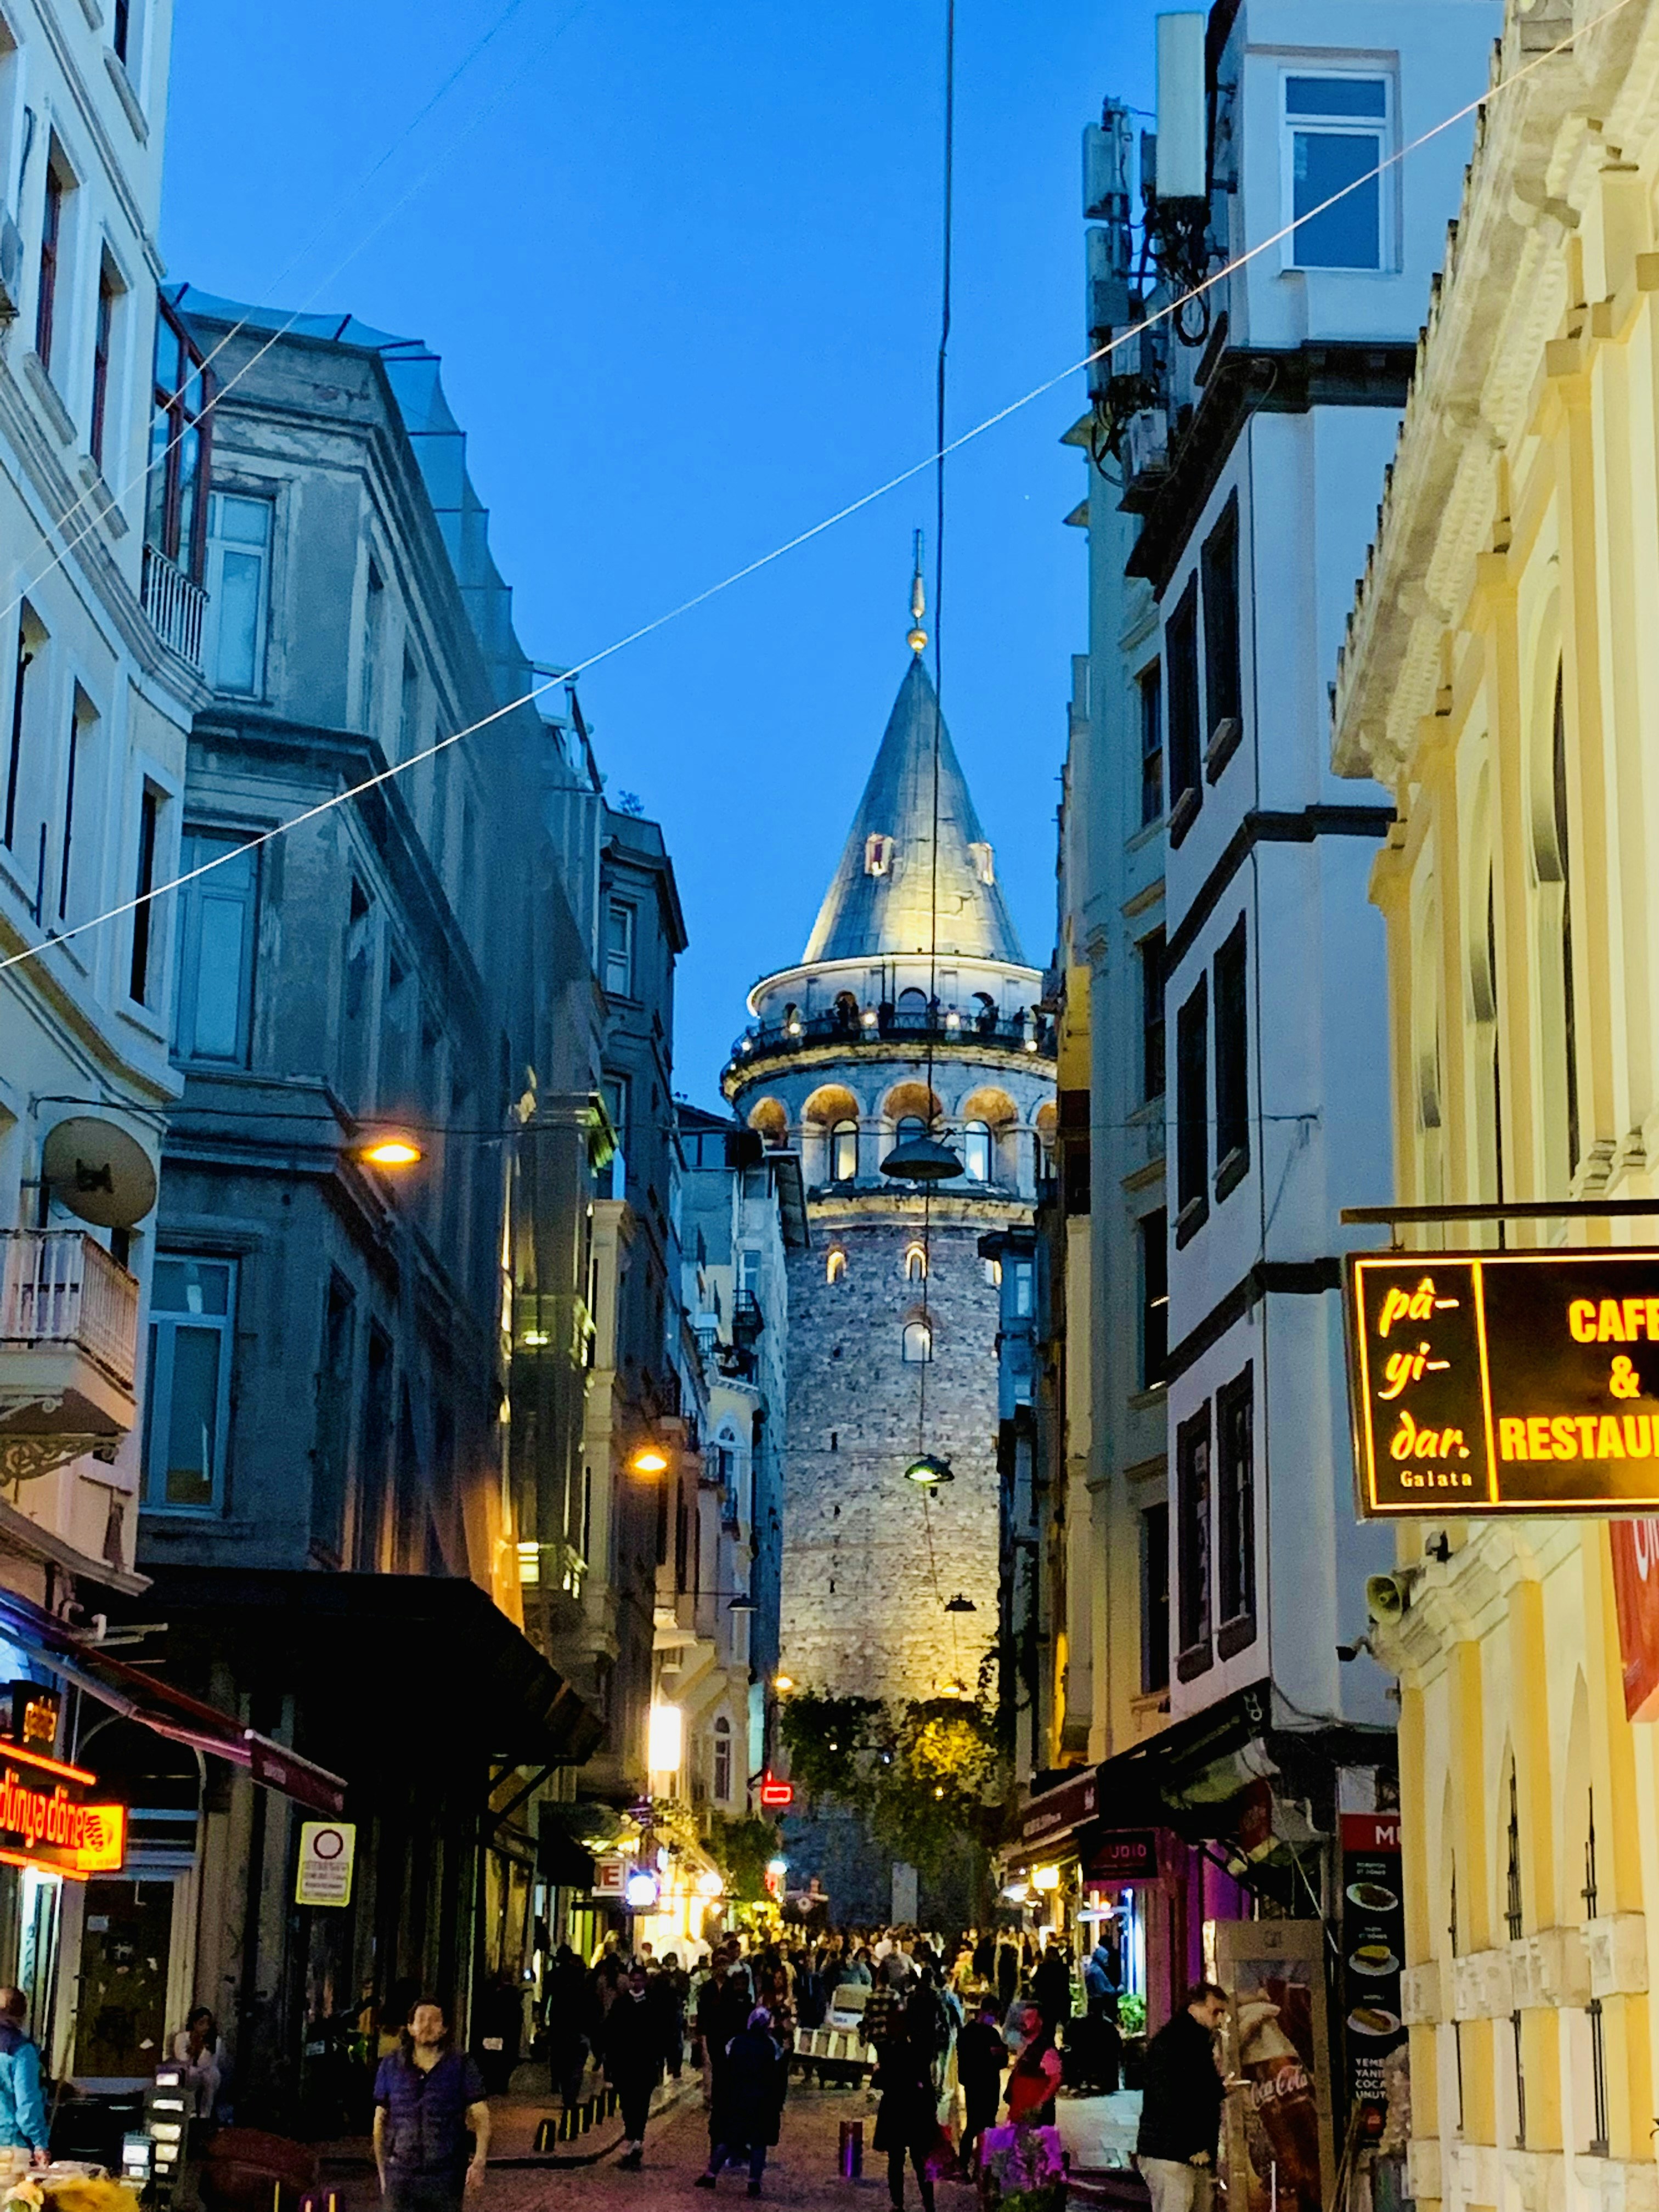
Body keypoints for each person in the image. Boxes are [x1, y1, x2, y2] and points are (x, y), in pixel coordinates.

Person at [373, 1996, 490, 2212]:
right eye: (421, 2019)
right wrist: (383, 2173)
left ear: (444, 2029)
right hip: (400, 2173)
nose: (427, 2025)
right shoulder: (391, 2066)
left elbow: (481, 2114)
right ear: (410, 2027)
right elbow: (380, 2121)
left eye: (435, 2020)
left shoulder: (461, 2064)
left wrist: (479, 2161)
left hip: (445, 2174)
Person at [1135, 1982, 1230, 2212]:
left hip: (1183, 2151)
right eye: (1215, 2011)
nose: (1219, 2020)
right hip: (1173, 2151)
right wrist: (1193, 2146)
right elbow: (1172, 2098)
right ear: (1195, 2008)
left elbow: (1195, 2091)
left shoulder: (1195, 2041)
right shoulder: (1177, 2043)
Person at [696, 2005, 786, 2197]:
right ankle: (754, 2181)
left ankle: (711, 2174)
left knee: (730, 2139)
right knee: (758, 2142)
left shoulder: (736, 2042)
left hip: (738, 2098)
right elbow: (778, 2074)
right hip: (762, 2101)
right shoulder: (772, 2046)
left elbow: (727, 2069)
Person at [871, 2004, 941, 2212]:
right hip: (914, 2110)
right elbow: (926, 2083)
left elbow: (880, 2080)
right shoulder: (917, 2051)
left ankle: (898, 2203)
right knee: (919, 2160)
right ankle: (928, 2203)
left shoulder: (888, 2051)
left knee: (897, 2160)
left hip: (895, 2110)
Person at [600, 1964, 663, 2170]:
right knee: (627, 2103)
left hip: (645, 2064)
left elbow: (659, 2035)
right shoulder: (621, 2004)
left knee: (642, 2103)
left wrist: (659, 2062)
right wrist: (610, 2061)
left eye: (639, 1980)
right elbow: (611, 2032)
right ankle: (631, 2135)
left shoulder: (652, 2005)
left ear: (645, 1981)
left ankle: (637, 2138)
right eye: (633, 1980)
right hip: (625, 2064)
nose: (636, 1984)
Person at [956, 1999, 1008, 2176]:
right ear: (985, 2011)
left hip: (983, 2085)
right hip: (980, 2085)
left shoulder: (984, 2033)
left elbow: (1002, 2060)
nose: (993, 2018)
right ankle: (970, 2165)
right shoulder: (974, 2034)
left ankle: (979, 2166)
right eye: (992, 2014)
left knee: (983, 2126)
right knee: (977, 2126)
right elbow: (969, 2060)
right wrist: (991, 2054)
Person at [0, 1990, 47, 2166]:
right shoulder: (22, 2051)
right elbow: (27, 2104)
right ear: (22, 2016)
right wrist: (39, 2143)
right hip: (8, 2146)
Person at [1006, 2004, 1062, 2128]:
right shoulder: (1024, 2046)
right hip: (1019, 2112)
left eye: (1029, 2018)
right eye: (1022, 2018)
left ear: (1040, 2022)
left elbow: (1056, 2079)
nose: (1023, 2022)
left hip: (1034, 2116)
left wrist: (1039, 2105)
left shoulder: (1047, 2050)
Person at [171, 2006, 223, 2121]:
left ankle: (205, 2113)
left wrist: (204, 2049)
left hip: (205, 2071)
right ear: (194, 2024)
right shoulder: (182, 2038)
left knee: (212, 2075)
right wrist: (194, 2048)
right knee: (192, 2073)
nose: (206, 2027)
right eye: (201, 2024)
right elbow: (182, 2059)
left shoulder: (215, 2040)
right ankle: (191, 2110)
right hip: (188, 2072)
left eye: (208, 2024)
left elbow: (210, 2063)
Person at [1032, 1936, 1073, 2034]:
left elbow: (1035, 1982)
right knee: (1066, 2027)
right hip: (1062, 2000)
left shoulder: (1043, 1968)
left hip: (1047, 2001)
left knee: (1048, 2028)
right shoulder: (1064, 1968)